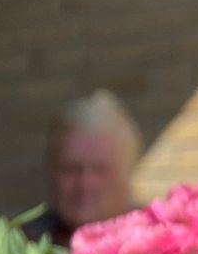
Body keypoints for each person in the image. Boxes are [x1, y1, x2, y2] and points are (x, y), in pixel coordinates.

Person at [31, 90, 143, 246]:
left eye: (99, 170)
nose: (84, 183)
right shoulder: (22, 246)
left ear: (127, 174)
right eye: (70, 169)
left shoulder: (157, 243)